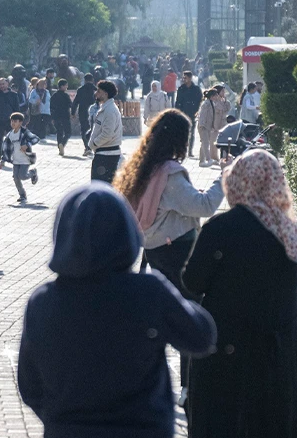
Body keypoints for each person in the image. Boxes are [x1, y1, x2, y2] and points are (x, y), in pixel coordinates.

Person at [17, 182, 216, 438]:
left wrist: (61, 419)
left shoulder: (43, 301)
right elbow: (201, 337)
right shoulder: (147, 293)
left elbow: (30, 385)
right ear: (126, 233)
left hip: (69, 429)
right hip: (142, 429)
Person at [183, 150, 297, 438]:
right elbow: (294, 280)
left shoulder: (221, 229)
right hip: (279, 354)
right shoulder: (290, 231)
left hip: (228, 355)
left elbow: (193, 282)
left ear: (237, 182)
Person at [115, 109, 225, 406]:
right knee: (189, 319)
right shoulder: (170, 173)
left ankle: (147, 383)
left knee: (160, 318)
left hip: (153, 251)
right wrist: (223, 178)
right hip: (179, 253)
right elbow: (203, 206)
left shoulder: (140, 166)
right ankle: (189, 388)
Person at [89, 80, 123, 184]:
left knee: (99, 187)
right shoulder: (105, 108)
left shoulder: (110, 110)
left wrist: (94, 143)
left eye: (99, 91)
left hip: (107, 155)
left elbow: (107, 134)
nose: (96, 93)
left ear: (105, 94)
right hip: (103, 153)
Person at [1, 113, 40, 205]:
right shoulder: (10, 134)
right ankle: (22, 195)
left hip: (25, 159)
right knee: (16, 178)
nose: (13, 123)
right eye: (12, 121)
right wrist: (3, 160)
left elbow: (36, 139)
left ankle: (33, 172)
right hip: (15, 160)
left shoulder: (25, 133)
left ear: (21, 122)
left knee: (22, 176)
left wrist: (27, 145)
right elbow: (5, 148)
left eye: (15, 121)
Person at [0, 78, 21, 168]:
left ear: (7, 84)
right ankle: (1, 156)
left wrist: (18, 120)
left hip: (11, 121)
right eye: (0, 84)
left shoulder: (14, 95)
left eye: (3, 84)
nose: (2, 86)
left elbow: (17, 108)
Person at [175, 71, 202, 152]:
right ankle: (182, 149)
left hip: (192, 113)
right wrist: (176, 112)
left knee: (191, 132)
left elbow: (200, 101)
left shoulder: (196, 89)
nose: (184, 79)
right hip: (182, 113)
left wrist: (197, 110)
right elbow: (178, 101)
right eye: (183, 78)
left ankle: (190, 150)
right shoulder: (181, 88)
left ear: (190, 78)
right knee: (182, 132)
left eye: (185, 78)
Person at [74, 74, 98, 157]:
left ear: (84, 80)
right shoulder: (96, 90)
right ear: (92, 80)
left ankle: (87, 147)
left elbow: (76, 101)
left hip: (83, 112)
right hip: (94, 113)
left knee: (84, 130)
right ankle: (93, 146)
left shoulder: (80, 90)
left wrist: (73, 112)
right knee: (93, 129)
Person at [195, 91, 220, 167]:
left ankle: (202, 161)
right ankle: (208, 159)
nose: (217, 97)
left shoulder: (212, 103)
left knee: (204, 143)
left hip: (208, 126)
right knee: (205, 143)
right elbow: (202, 115)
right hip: (203, 126)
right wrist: (202, 125)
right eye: (216, 95)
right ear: (212, 96)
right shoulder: (206, 104)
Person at [51, 79, 73, 157]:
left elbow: (51, 107)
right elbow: (70, 104)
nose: (67, 87)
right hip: (65, 116)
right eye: (66, 85)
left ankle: (60, 146)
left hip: (56, 116)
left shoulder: (54, 95)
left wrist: (52, 117)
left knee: (59, 132)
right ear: (62, 86)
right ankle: (62, 144)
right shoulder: (65, 95)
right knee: (68, 132)